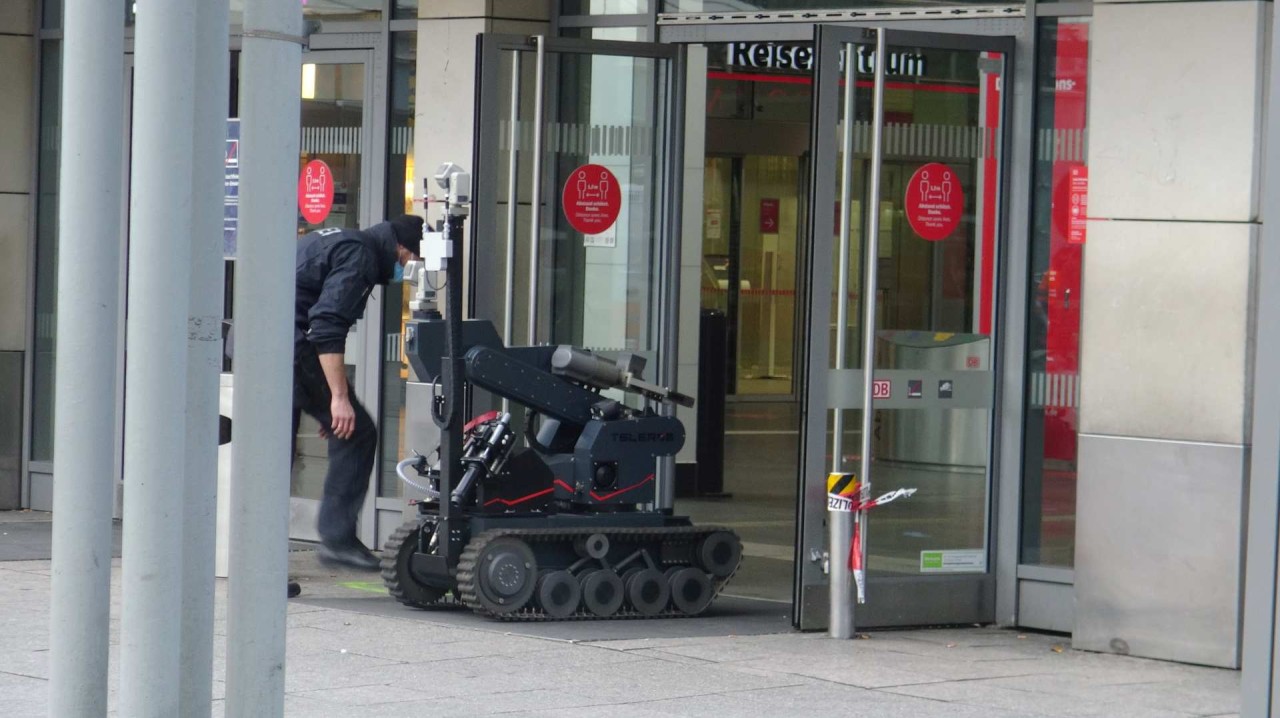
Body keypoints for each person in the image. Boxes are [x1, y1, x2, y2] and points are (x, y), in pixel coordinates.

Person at [293, 214, 423, 571]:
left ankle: (259, 567)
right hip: (292, 352)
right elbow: (326, 326)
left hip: (270, 347)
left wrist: (328, 405)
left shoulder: (344, 240)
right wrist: (337, 398)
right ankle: (336, 539)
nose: (408, 271)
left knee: (274, 456)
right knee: (357, 433)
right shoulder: (361, 256)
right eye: (411, 260)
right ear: (400, 247)